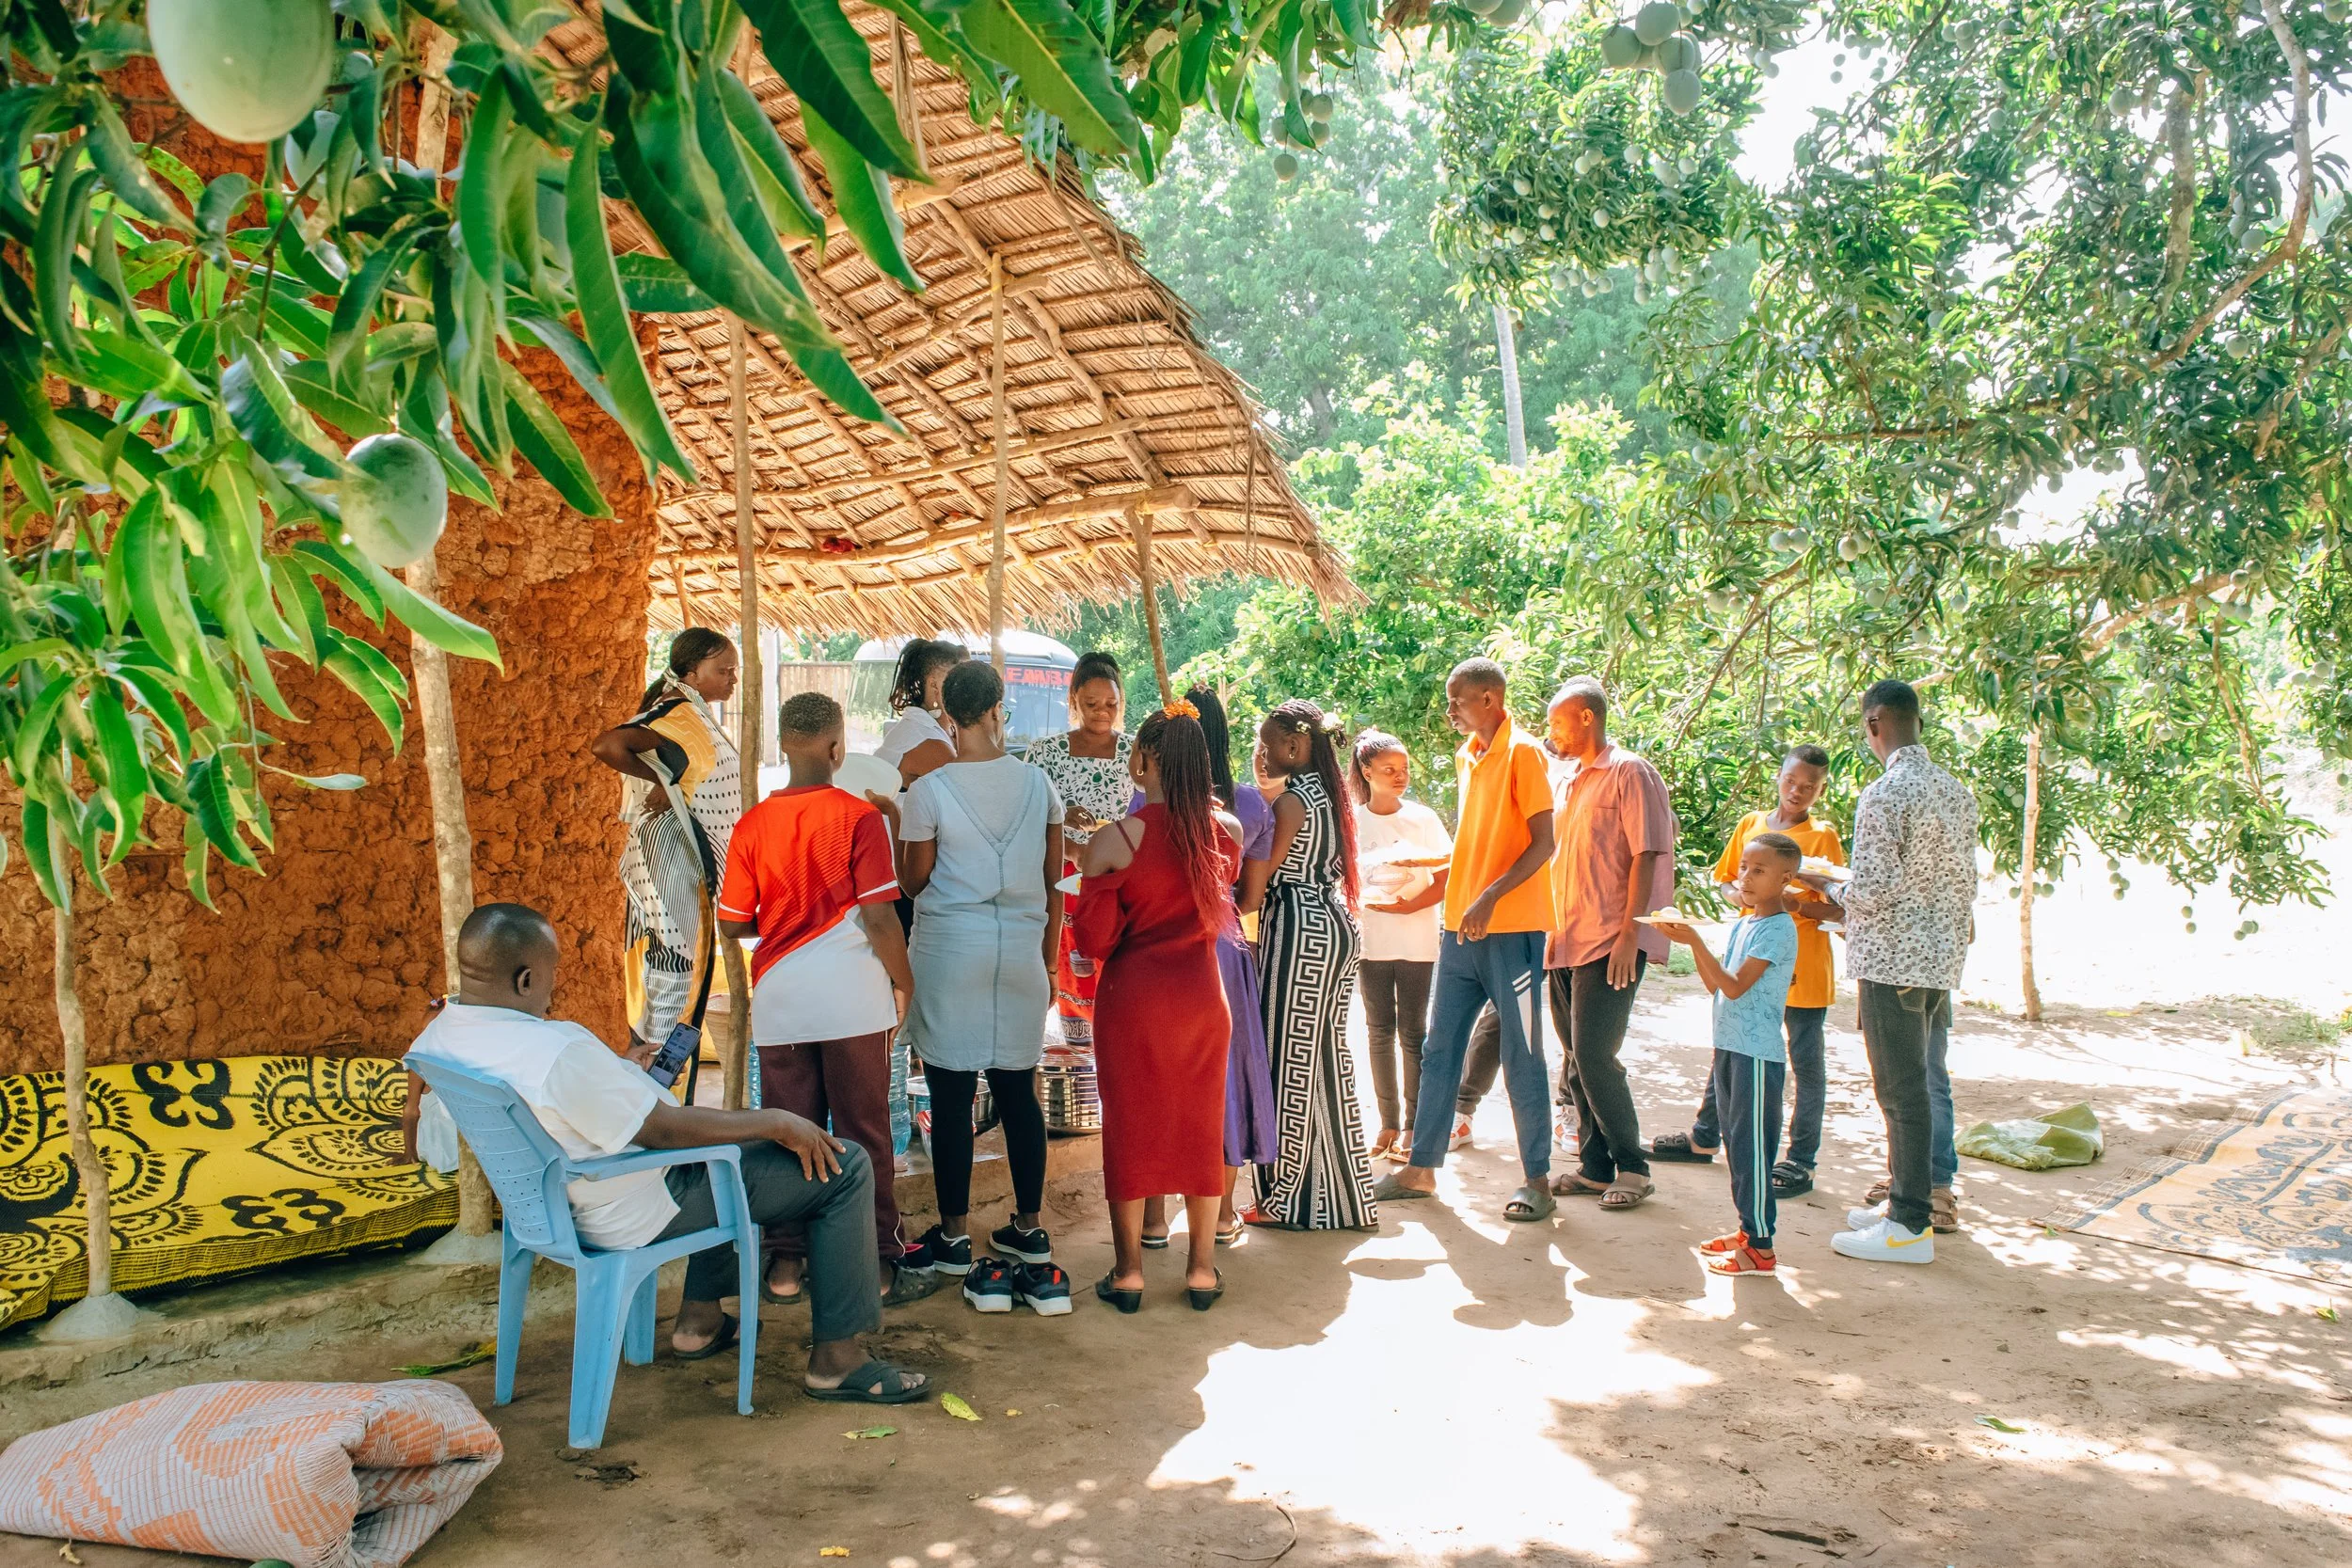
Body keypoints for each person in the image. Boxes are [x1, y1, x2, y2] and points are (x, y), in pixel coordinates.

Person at [405, 904, 927, 1402]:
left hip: (545, 1209)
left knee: (724, 1148)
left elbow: (556, 1097)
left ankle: (700, 1322)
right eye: (550, 973)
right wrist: (776, 1122)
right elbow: (666, 1131)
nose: (552, 987)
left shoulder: (443, 1032)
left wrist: (618, 1070)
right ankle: (838, 1362)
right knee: (846, 1164)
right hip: (625, 1210)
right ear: (524, 979)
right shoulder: (556, 1049)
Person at [716, 692, 939, 1308]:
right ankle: (879, 1262)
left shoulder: (752, 823)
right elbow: (880, 919)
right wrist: (906, 981)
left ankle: (786, 1262)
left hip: (781, 999)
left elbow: (732, 924)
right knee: (865, 1135)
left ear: (783, 747)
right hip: (853, 1002)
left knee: (790, 1135)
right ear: (838, 749)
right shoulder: (860, 818)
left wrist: (784, 915)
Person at [876, 660, 1072, 1317]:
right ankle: (1029, 1227)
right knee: (1019, 1090)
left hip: (950, 953)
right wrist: (1046, 962)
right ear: (998, 709)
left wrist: (892, 812)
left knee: (953, 1093)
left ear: (948, 717)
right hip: (1020, 951)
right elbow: (1052, 882)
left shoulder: (929, 791)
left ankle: (955, 1236)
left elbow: (913, 882)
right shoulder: (1038, 784)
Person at [1375, 661, 1558, 1224]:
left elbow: (1544, 843)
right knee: (1439, 1049)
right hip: (1460, 932)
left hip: (1513, 933)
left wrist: (1489, 899)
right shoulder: (1468, 756)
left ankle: (1537, 1180)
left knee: (1522, 1054)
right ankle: (1421, 1167)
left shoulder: (1524, 753)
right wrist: (1438, 869)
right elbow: (1480, 845)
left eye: (1458, 701)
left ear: (1490, 697)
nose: (1450, 710)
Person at [1076, 704, 1243, 1310]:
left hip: (1134, 1001)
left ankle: (1129, 1273)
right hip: (1203, 997)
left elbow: (1094, 942)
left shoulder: (1115, 840)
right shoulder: (1226, 833)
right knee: (1202, 1129)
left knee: (1128, 1127)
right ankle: (1201, 1270)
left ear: (1143, 760)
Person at [1808, 680, 1979, 1263]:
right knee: (1920, 1084)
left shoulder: (1884, 794)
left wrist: (1825, 883)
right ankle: (1907, 1200)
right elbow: (1964, 885)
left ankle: (1908, 1226)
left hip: (1893, 960)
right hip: (1939, 960)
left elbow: (1874, 890)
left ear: (1874, 723)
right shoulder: (1957, 793)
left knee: (1900, 1091)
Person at [1651, 744, 1845, 1197]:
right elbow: (1726, 881)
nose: (1798, 792)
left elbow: (1837, 904)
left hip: (1802, 959)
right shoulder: (1751, 826)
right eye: (1792, 781)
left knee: (1804, 1058)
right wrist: (1739, 896)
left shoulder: (1823, 836)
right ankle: (1705, 1136)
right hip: (1748, 946)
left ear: (1821, 789)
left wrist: (1798, 902)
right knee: (1732, 1042)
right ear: (1779, 776)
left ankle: (1800, 1159)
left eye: (1810, 787)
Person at [1139, 686, 1278, 1250]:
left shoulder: (1143, 802)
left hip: (1155, 952)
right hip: (1222, 947)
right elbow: (1250, 896)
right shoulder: (1248, 810)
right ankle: (1221, 1215)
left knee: (1157, 1077)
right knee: (1223, 1077)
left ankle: (1152, 1219)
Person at [1243, 700, 1377, 1232]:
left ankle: (1285, 1199)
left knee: (1287, 1065)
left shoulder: (1293, 803)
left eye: (1268, 742)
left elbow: (1254, 892)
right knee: (1323, 1060)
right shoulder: (1329, 796)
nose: (1261, 751)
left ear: (1295, 748)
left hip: (1299, 931)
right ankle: (1340, 1198)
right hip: (1334, 927)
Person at [1543, 677, 1677, 1212]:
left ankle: (1633, 1167)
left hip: (1610, 939)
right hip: (1564, 936)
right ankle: (1596, 1167)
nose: (1552, 733)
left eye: (1557, 722)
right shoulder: (1570, 780)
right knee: (1576, 1056)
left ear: (1586, 718)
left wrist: (1630, 935)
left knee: (1597, 1056)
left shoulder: (1630, 772)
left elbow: (1647, 853)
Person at [1654, 832, 1806, 1275]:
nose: (1746, 877)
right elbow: (1715, 985)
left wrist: (1695, 941)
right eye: (1744, 867)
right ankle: (1747, 1230)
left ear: (1786, 880)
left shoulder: (1779, 929)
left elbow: (1737, 988)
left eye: (1760, 871)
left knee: (1752, 1149)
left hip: (1757, 1056)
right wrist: (1689, 943)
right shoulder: (1745, 924)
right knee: (1738, 1147)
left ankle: (1761, 1247)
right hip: (1730, 1048)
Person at [591, 627, 741, 1067]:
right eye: (724, 670)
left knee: (678, 957)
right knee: (674, 958)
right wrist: (659, 779)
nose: (733, 679)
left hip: (683, 847)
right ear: (692, 672)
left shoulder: (692, 715)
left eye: (734, 670)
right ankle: (654, 1075)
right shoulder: (675, 714)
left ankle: (658, 1075)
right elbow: (607, 744)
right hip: (671, 843)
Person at [1350, 730, 1453, 1163]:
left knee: (1414, 1034)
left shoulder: (1424, 819)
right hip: (1370, 940)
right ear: (1366, 772)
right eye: (1389, 770)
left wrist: (1408, 906)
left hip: (1417, 940)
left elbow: (1448, 877)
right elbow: (1345, 878)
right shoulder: (1352, 820)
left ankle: (1414, 1125)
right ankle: (1387, 1124)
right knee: (1378, 1032)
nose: (1399, 777)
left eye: (1404, 769)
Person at [1025, 652, 1132, 1055]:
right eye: (1091, 704)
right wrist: (1068, 840)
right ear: (1072, 701)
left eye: (1111, 704)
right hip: (1062, 889)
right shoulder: (1045, 753)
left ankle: (1111, 1060)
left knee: (1112, 981)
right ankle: (1077, 1068)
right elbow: (1026, 819)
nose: (1102, 713)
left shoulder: (1135, 753)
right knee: (1068, 976)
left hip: (1115, 887)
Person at [875, 637, 969, 788]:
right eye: (962, 682)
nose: (970, 690)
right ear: (934, 685)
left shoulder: (930, 729)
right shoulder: (925, 740)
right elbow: (972, 798)